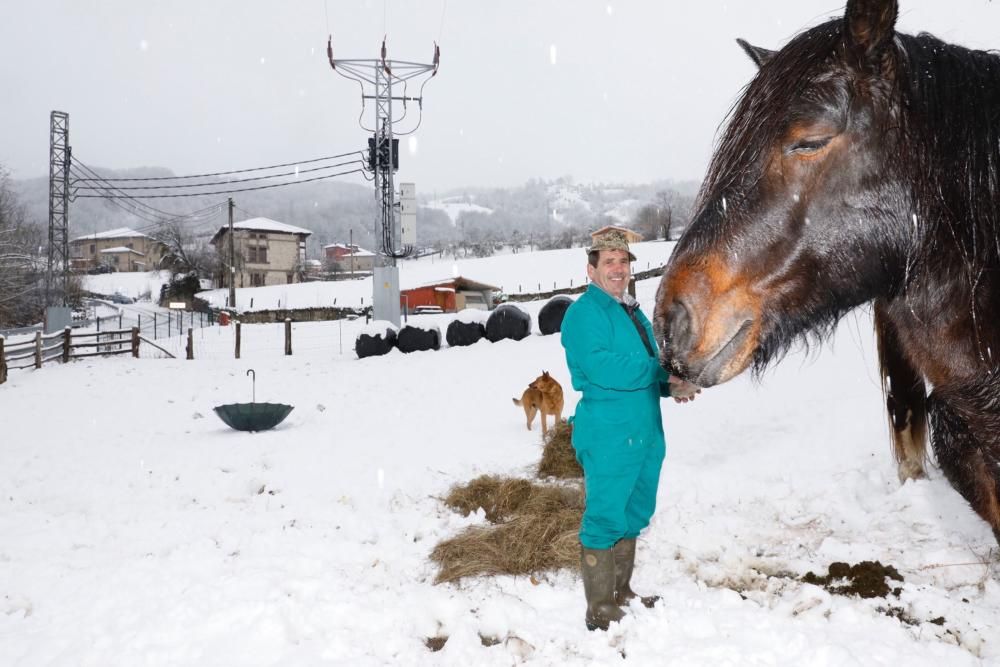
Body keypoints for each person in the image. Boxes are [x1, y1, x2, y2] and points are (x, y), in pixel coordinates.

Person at [560, 230, 700, 631]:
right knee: (605, 515)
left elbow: (642, 369)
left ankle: (622, 592)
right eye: (609, 262)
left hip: (643, 428)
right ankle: (600, 607)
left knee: (634, 511)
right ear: (591, 269)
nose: (618, 269)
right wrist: (661, 373)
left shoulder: (630, 310)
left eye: (623, 261)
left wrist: (669, 387)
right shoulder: (584, 313)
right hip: (608, 429)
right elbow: (604, 368)